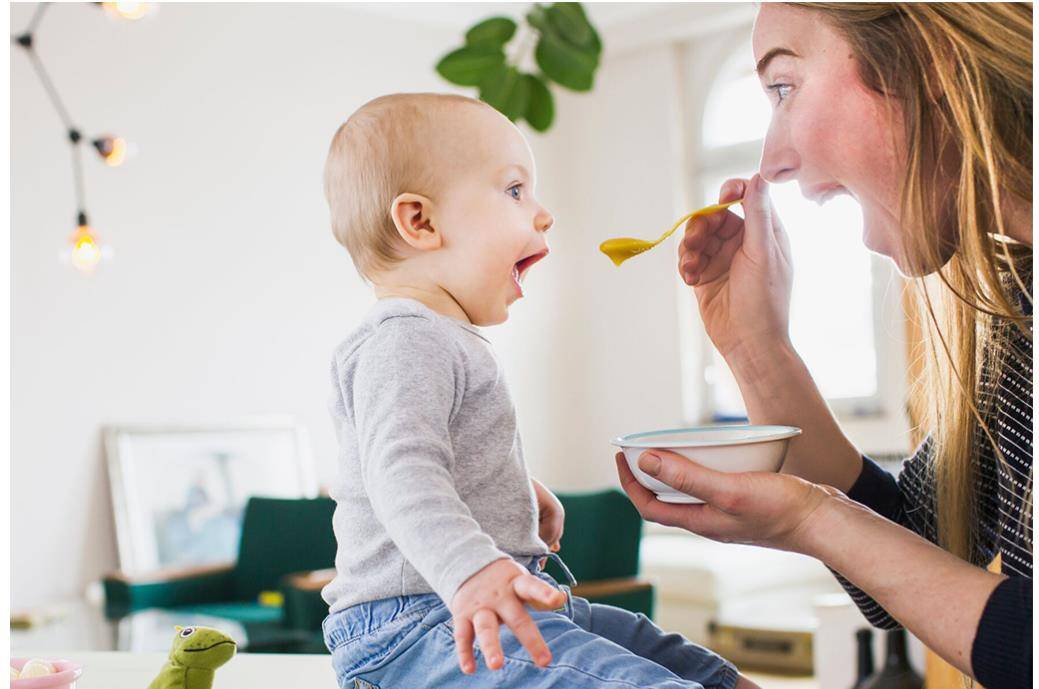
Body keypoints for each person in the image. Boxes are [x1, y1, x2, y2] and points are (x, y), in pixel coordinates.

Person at [617, 4, 1031, 688]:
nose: (771, 162)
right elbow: (917, 554)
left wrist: (815, 519)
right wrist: (756, 347)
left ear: (927, 61)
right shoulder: (1020, 314)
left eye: (783, 88)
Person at [320, 93, 757, 689]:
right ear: (420, 222)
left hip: (476, 604)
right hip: (416, 625)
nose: (543, 213)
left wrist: (508, 489)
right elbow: (398, 473)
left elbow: (427, 458)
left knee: (683, 663)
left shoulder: (438, 337)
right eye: (515, 191)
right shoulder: (405, 340)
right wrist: (474, 568)